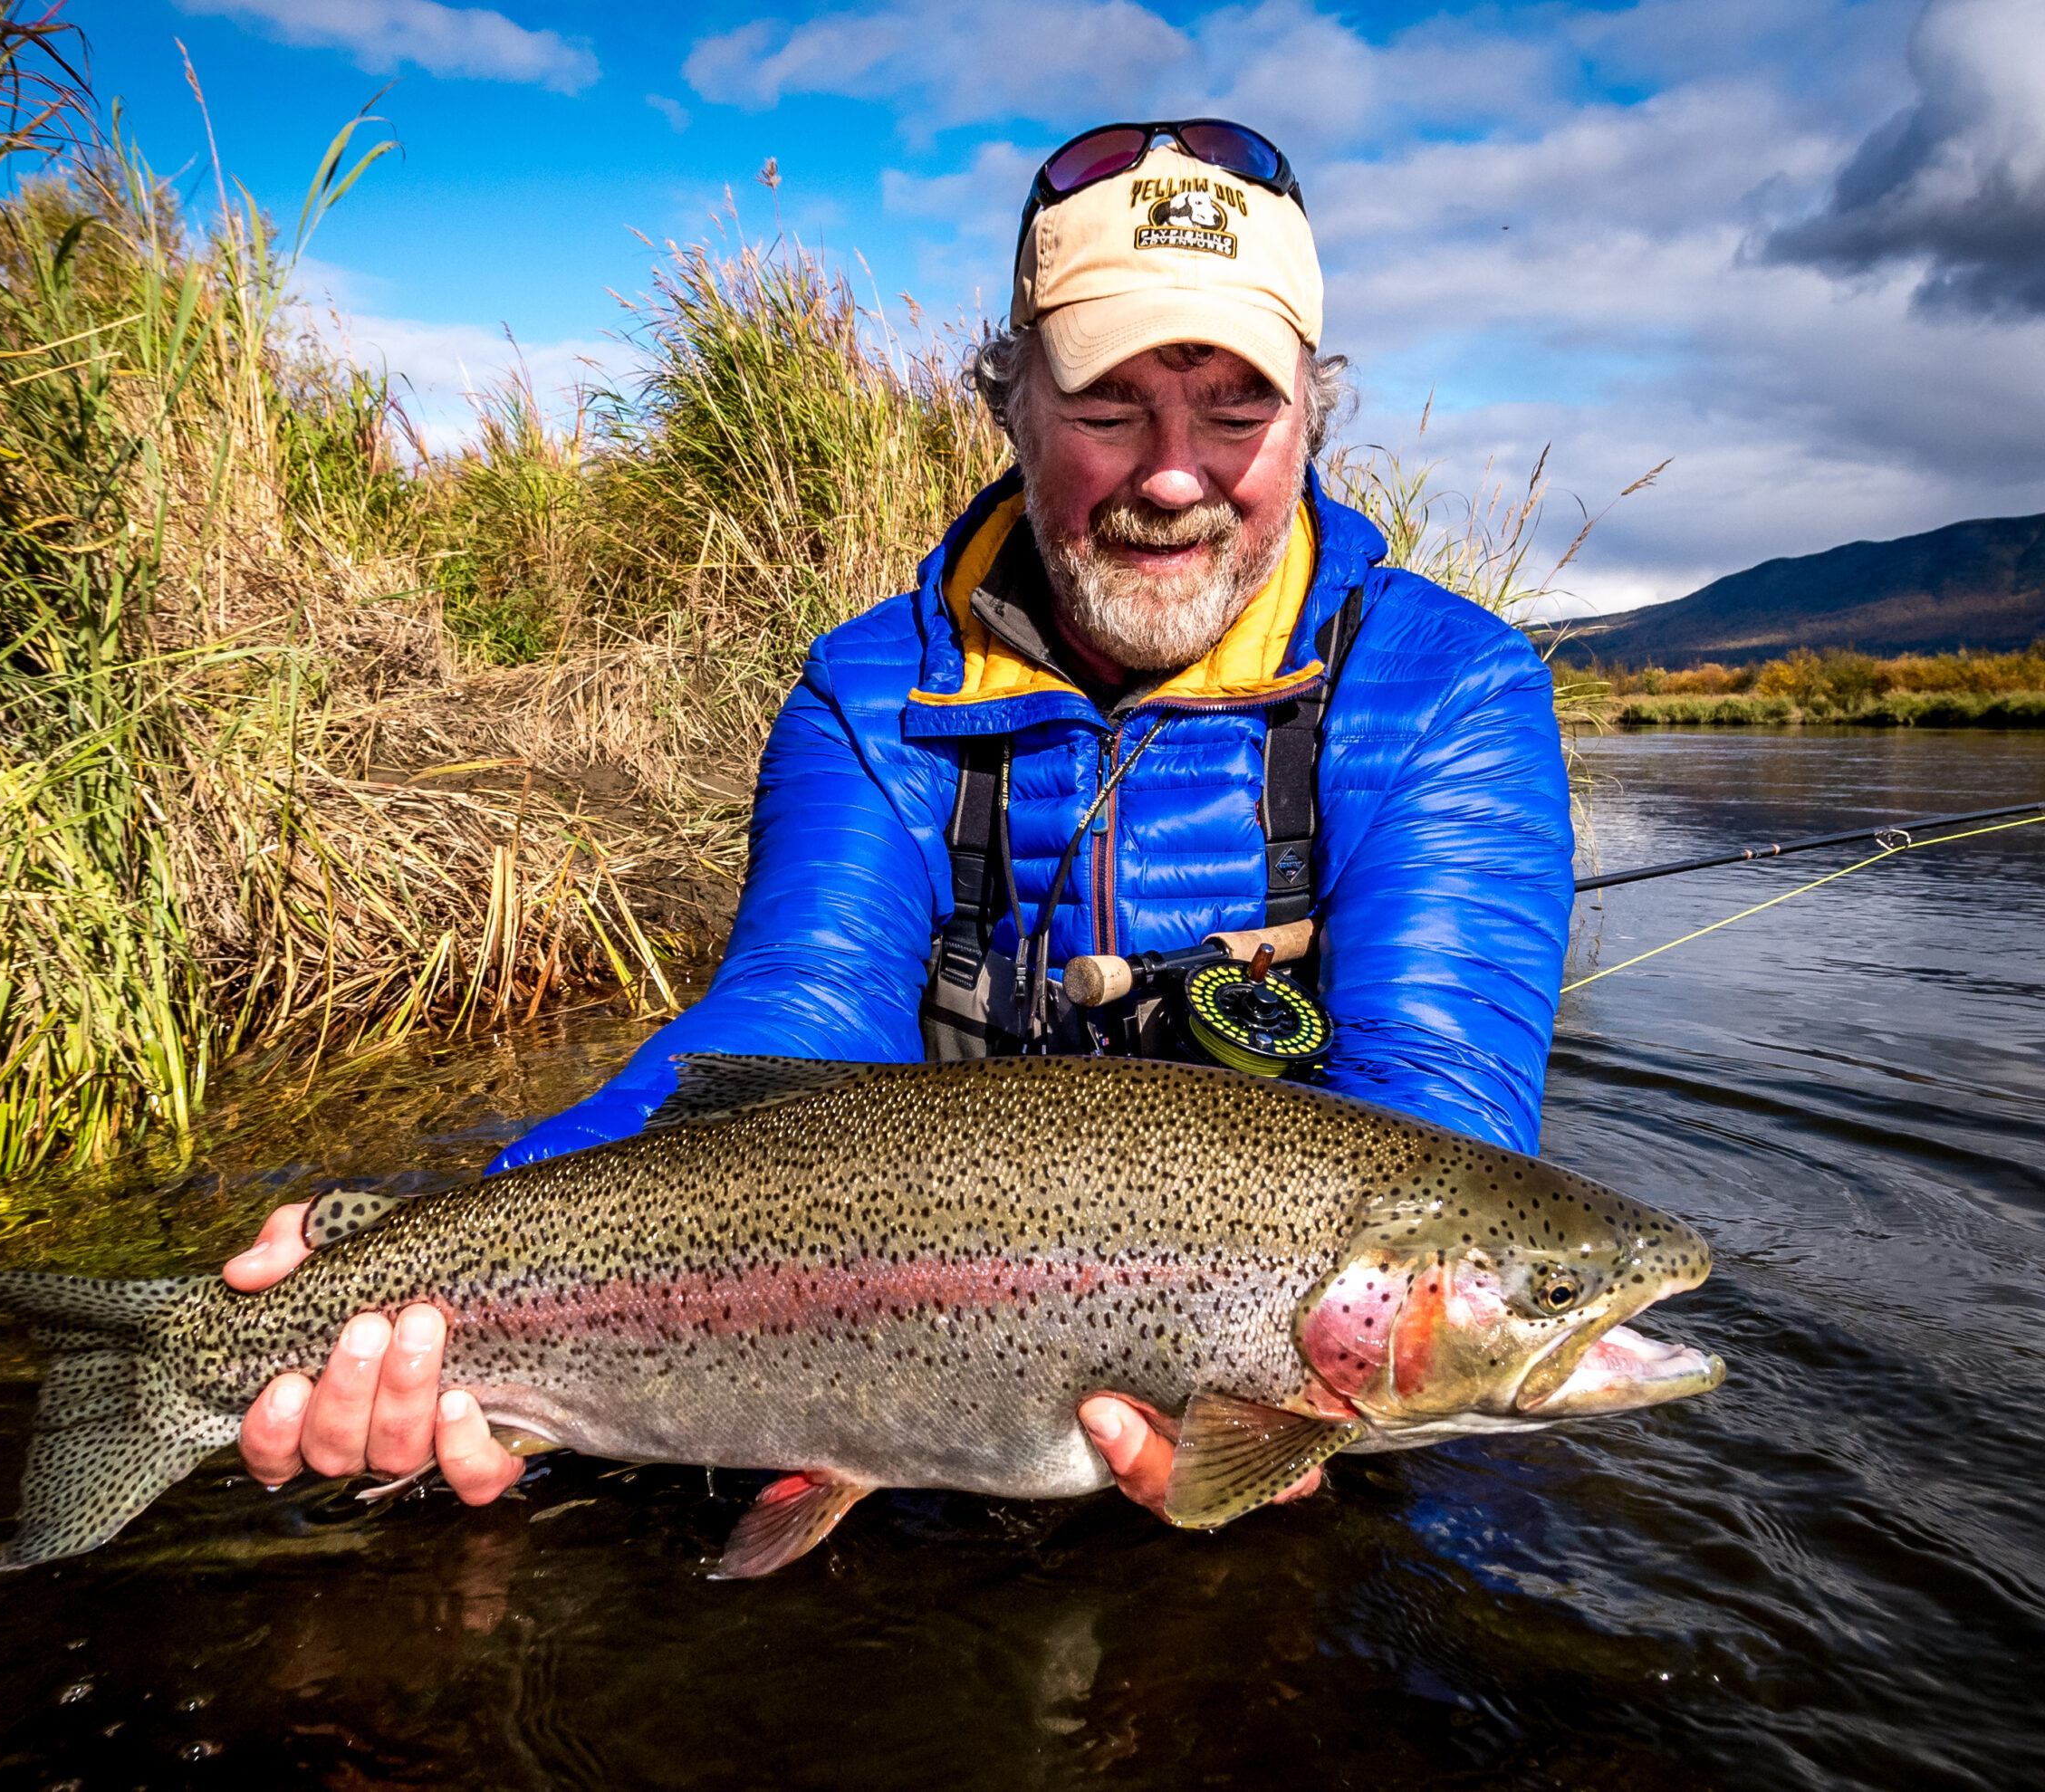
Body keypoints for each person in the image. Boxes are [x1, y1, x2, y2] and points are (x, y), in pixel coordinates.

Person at [221, 120, 1573, 1522]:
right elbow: (789, 1025)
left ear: (1314, 418)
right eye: (1111, 406)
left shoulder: (1446, 694)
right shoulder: (876, 692)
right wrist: (422, 1258)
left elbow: (1438, 1107)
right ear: (1012, 404)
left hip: (1277, 1396)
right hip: (891, 1345)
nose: (1174, 475)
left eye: (1237, 411)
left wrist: (1292, 1405)